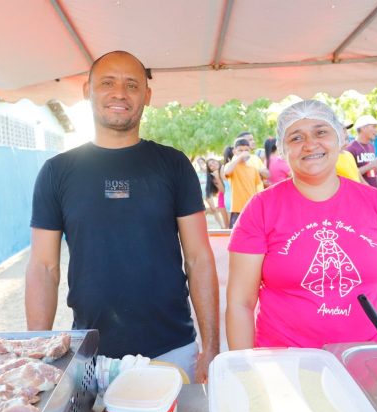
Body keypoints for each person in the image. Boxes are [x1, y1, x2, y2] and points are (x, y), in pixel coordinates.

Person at [25, 50, 219, 382]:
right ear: (87, 90)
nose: (119, 93)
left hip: (172, 352)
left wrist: (211, 349)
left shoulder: (173, 165)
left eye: (132, 84)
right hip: (91, 356)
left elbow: (199, 258)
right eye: (107, 83)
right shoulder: (57, 172)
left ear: (147, 95)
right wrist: (37, 352)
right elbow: (44, 267)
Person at [226, 100, 377, 350]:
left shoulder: (374, 201)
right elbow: (240, 303)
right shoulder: (260, 208)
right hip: (285, 363)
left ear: (340, 140)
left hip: (362, 358)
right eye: (296, 137)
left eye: (321, 132)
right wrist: (244, 370)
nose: (310, 144)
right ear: (282, 149)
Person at [224, 138, 262, 228]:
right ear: (234, 151)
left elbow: (257, 188)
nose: (244, 152)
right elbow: (227, 171)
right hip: (238, 209)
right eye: (240, 150)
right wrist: (240, 157)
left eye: (246, 150)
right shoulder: (232, 166)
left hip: (252, 209)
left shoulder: (253, 168)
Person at [346, 115, 377, 188]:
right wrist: (371, 165)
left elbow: (369, 170)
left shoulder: (371, 146)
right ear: (363, 128)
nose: (376, 130)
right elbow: (350, 173)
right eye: (374, 126)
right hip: (359, 193)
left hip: (372, 191)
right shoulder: (350, 148)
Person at [205, 158, 229, 228]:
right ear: (210, 169)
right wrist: (217, 178)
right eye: (210, 165)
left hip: (232, 198)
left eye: (213, 162)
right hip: (222, 198)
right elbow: (224, 191)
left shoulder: (226, 169)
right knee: (226, 225)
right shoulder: (214, 178)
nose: (213, 165)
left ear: (217, 161)